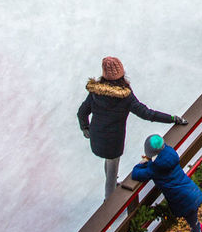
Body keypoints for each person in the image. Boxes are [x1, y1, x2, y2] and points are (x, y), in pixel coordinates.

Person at [77, 56, 188, 200]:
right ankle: (109, 202)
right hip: (113, 142)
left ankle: (111, 188)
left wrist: (85, 128)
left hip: (96, 136)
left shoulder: (95, 92)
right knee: (112, 166)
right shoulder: (125, 96)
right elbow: (147, 114)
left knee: (109, 162)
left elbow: (82, 112)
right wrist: (172, 118)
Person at [132, 134, 202, 232]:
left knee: (192, 221)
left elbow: (136, 174)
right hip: (191, 190)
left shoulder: (154, 168)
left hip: (182, 200)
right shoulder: (170, 153)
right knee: (193, 218)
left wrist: (141, 164)